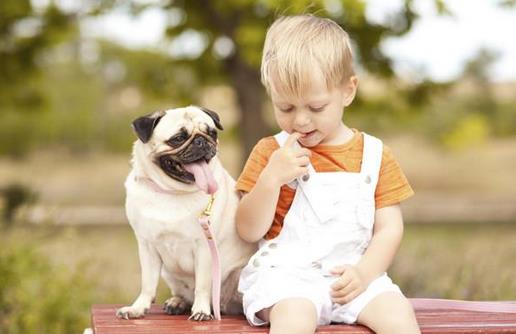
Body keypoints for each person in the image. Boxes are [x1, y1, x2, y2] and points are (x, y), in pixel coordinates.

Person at [234, 14, 421, 334]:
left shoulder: (375, 156)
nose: (301, 121)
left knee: (397, 315)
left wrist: (365, 273)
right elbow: (248, 230)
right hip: (288, 280)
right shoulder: (270, 153)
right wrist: (270, 180)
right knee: (294, 317)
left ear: (348, 91)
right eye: (286, 108)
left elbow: (389, 229)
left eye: (316, 107)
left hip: (353, 276)